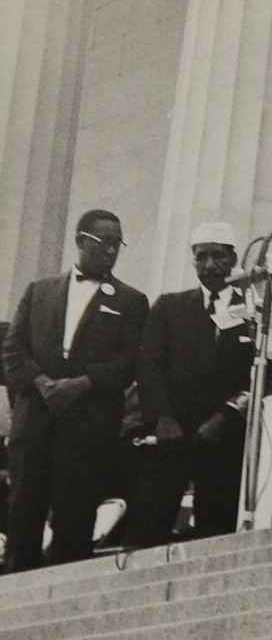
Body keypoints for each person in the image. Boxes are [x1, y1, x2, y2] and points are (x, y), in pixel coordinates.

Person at [123, 222, 272, 548]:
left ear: (233, 259)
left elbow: (265, 372)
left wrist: (225, 416)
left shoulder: (255, 309)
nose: (210, 265)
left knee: (215, 533)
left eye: (218, 256)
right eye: (201, 257)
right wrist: (163, 418)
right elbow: (148, 367)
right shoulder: (169, 307)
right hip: (170, 437)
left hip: (224, 439)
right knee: (146, 529)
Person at [1, 210, 149, 571]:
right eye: (105, 242)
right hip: (35, 422)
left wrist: (81, 385)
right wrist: (43, 384)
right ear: (81, 240)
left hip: (88, 428)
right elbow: (13, 348)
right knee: (23, 519)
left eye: (118, 243)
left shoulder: (131, 301)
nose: (112, 250)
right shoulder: (39, 291)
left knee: (74, 522)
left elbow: (129, 360)